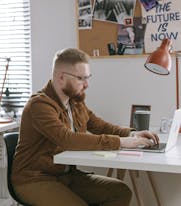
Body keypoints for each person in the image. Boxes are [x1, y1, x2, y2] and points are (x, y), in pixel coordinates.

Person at [11, 48, 159, 206]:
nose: (86, 84)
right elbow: (68, 139)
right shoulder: (39, 105)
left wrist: (132, 134)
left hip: (67, 176)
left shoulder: (75, 101)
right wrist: (121, 142)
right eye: (80, 78)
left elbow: (99, 125)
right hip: (34, 179)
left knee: (120, 192)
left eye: (88, 77)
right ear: (61, 77)